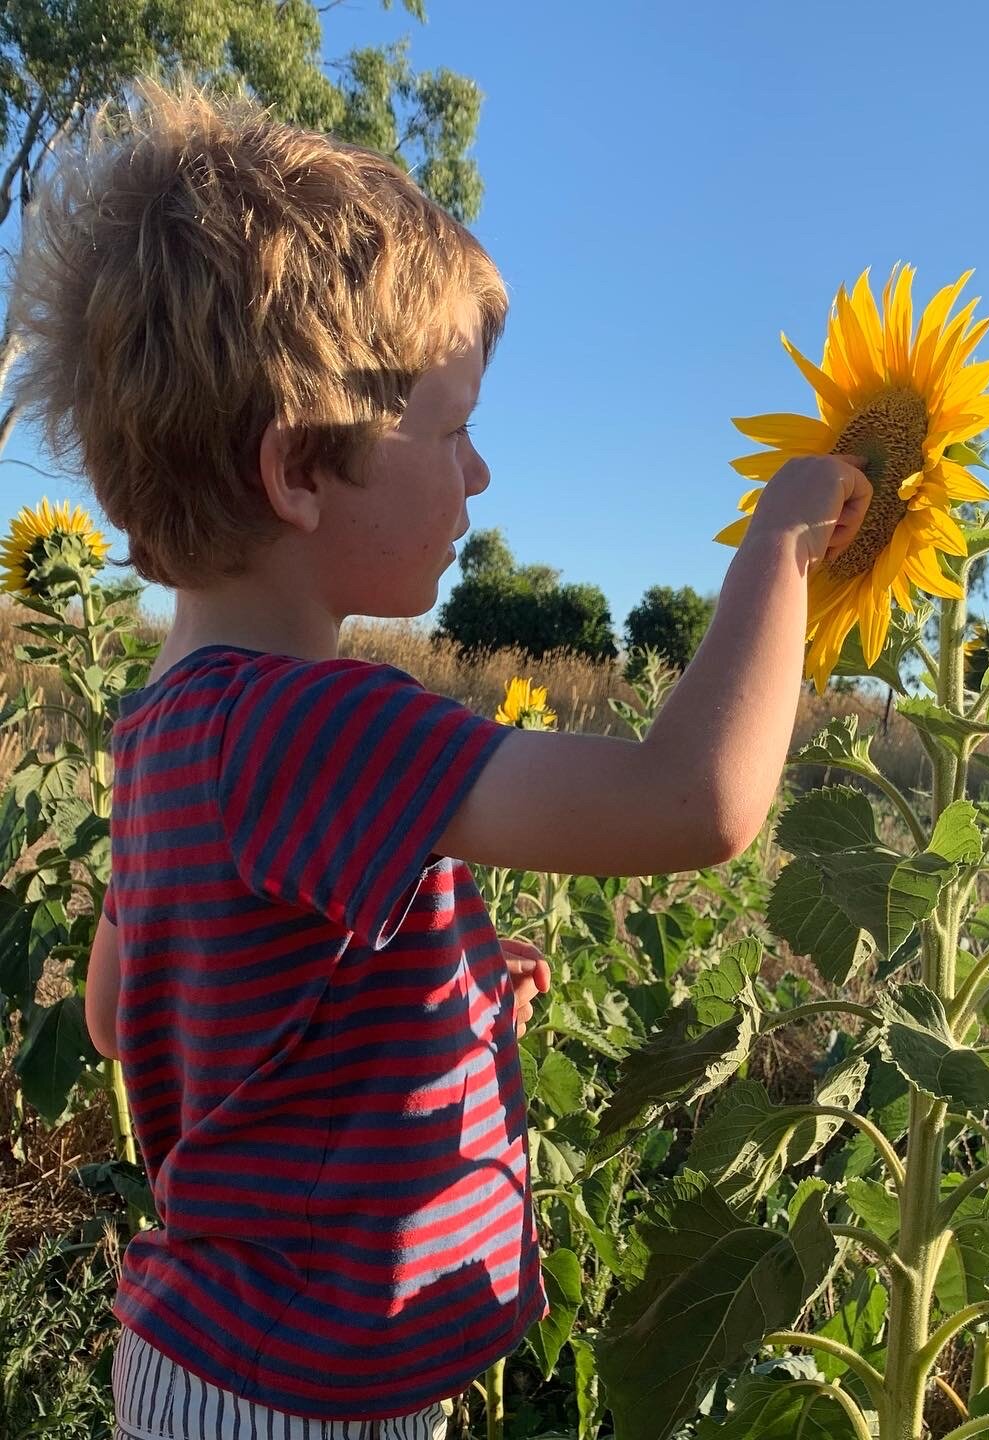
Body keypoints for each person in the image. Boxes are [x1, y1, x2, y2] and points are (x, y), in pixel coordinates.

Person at [7, 79, 871, 1440]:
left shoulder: (163, 724)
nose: (478, 477)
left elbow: (134, 1013)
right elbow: (691, 802)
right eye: (453, 427)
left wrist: (441, 984)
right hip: (299, 1398)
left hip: (211, 1365)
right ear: (300, 471)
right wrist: (779, 547)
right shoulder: (315, 722)